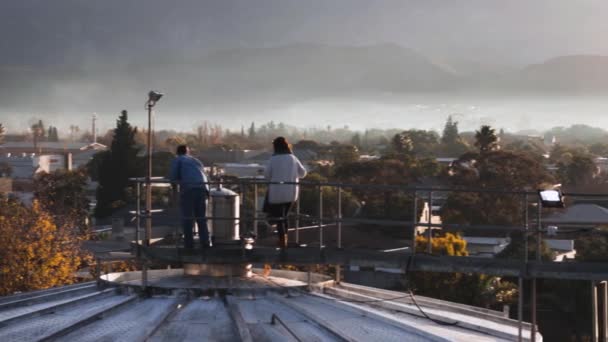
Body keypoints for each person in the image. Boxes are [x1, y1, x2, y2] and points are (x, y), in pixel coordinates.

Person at [264, 137, 307, 249]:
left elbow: (267, 175)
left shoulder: (273, 159)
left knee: (279, 218)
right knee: (285, 217)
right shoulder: (293, 158)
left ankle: (282, 241)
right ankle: (284, 240)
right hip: (291, 192)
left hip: (277, 193)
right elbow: (303, 173)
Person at [170, 145, 210, 249]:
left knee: (188, 218)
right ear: (188, 152)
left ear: (177, 152)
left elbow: (173, 177)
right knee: (201, 218)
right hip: (203, 189)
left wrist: (174, 187)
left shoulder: (178, 159)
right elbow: (204, 174)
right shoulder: (196, 160)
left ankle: (189, 245)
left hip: (189, 189)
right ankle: (205, 243)